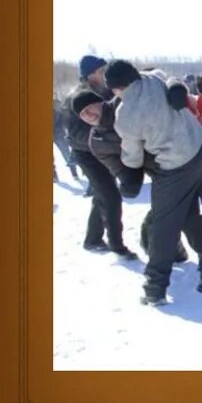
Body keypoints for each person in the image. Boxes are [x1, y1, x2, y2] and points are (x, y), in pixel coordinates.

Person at [106, 60, 202, 305]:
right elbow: (168, 78)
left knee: (165, 225)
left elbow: (132, 157)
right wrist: (176, 85)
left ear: (116, 89)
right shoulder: (154, 78)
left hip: (175, 166)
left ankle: (155, 287)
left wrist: (129, 174)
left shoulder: (124, 115)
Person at [77, 89, 202, 292]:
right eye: (81, 114)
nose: (87, 114)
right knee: (161, 224)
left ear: (99, 102)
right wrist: (128, 182)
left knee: (189, 218)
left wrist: (176, 90)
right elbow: (118, 166)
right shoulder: (97, 140)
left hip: (179, 164)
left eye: (88, 107)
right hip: (159, 176)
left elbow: (155, 82)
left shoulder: (126, 106)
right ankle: (170, 263)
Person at [63, 55, 138, 258]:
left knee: (102, 195)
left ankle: (93, 239)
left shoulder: (106, 91)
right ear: (89, 75)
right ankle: (117, 246)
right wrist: (103, 137)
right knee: (111, 196)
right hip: (88, 155)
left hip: (106, 150)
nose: (104, 74)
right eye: (100, 71)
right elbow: (75, 135)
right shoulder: (76, 98)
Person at [54, 94, 79, 182]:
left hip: (58, 134)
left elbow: (64, 118)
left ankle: (74, 173)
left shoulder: (56, 105)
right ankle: (54, 175)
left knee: (66, 153)